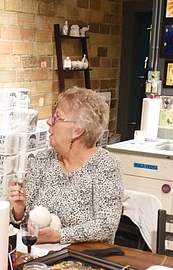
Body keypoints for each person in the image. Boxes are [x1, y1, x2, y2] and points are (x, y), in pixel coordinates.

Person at [7, 87, 124, 244]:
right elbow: (25, 221)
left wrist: (59, 236)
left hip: (84, 259)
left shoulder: (105, 166)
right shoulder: (42, 160)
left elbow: (105, 225)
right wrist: (19, 210)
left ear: (77, 131)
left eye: (57, 118)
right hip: (38, 255)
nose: (49, 121)